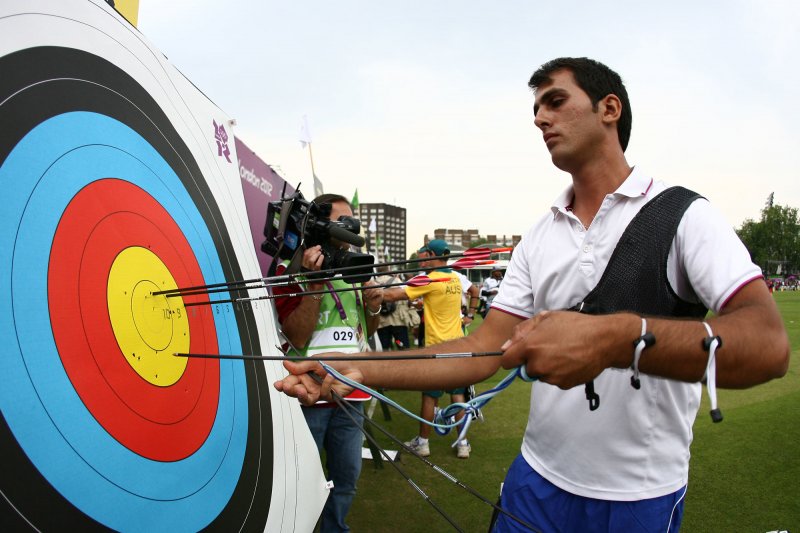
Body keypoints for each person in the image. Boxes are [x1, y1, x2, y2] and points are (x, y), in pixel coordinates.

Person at [274, 58, 790, 532]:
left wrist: (616, 337)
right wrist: (355, 368)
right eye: (536, 108)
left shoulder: (684, 215)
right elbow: (484, 348)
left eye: (556, 101)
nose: (541, 117)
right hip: (535, 481)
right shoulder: (540, 235)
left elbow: (767, 346)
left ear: (610, 108)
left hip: (639, 498)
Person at [272, 193, 384, 533]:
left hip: (354, 394)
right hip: (309, 393)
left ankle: (334, 529)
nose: (350, 230)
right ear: (319, 224)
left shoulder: (357, 264)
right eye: (343, 222)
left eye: (353, 223)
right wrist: (316, 282)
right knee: (300, 481)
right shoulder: (289, 267)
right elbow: (298, 336)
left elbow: (367, 326)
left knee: (346, 479)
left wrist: (375, 306)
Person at [383, 239, 474, 459]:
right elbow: (473, 291)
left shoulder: (429, 278)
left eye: (425, 254)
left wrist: (370, 291)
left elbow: (394, 295)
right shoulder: (454, 278)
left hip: (437, 349)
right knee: (458, 395)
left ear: (432, 254)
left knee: (430, 397)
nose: (422, 257)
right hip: (458, 346)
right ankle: (463, 444)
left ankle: (423, 443)